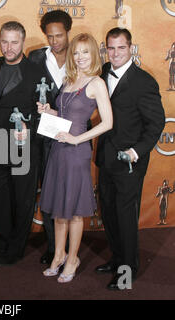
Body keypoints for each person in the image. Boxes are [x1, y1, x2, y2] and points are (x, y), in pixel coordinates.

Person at [39, 33, 113, 283]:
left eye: (85, 52)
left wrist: (77, 139)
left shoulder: (96, 83)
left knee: (75, 211)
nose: (80, 57)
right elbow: (66, 114)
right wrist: (49, 111)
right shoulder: (69, 79)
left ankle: (73, 258)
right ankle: (58, 255)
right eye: (76, 53)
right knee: (60, 208)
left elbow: (108, 122)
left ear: (94, 54)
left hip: (77, 151)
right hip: (59, 150)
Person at [95, 28, 165, 290]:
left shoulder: (144, 81)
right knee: (109, 215)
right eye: (110, 48)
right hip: (105, 157)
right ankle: (116, 260)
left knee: (125, 218)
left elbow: (156, 123)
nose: (115, 53)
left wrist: (136, 152)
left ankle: (127, 272)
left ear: (131, 48)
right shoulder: (103, 73)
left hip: (129, 163)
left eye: (121, 48)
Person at [0, 21, 43, 267]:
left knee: (22, 198)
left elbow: (46, 112)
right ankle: (3, 242)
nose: (8, 47)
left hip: (23, 147)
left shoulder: (36, 73)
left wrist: (31, 127)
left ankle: (16, 248)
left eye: (14, 42)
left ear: (23, 43)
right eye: (4, 41)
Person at [28, 10, 72, 266]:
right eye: (50, 36)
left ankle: (68, 246)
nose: (55, 41)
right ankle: (54, 246)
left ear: (68, 32)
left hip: (71, 135)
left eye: (59, 35)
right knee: (48, 191)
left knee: (67, 192)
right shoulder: (36, 57)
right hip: (42, 135)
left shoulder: (80, 58)